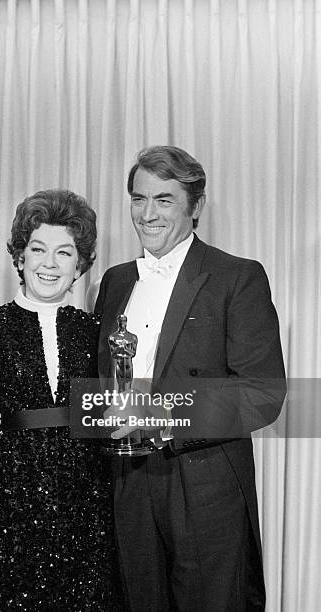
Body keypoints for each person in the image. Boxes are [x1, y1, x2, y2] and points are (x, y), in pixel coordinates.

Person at [94, 146, 286, 611]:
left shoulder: (236, 276)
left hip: (205, 487)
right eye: (139, 199)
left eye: (164, 200)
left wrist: (160, 416)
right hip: (128, 484)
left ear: (195, 206)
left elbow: (263, 393)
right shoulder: (116, 280)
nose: (148, 213)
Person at [0, 189, 122, 611]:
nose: (49, 263)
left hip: (90, 520)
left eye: (64, 253)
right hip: (11, 518)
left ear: (79, 264)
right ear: (20, 256)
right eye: (38, 249)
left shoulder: (97, 332)